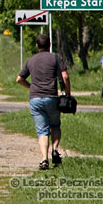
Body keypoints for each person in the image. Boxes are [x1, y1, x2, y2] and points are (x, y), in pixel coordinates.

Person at [17, 34, 70, 170]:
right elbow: (65, 76)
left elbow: (19, 79)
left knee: (42, 131)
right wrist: (68, 93)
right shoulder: (56, 57)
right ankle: (55, 149)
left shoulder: (31, 60)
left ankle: (44, 159)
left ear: (37, 46)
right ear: (49, 45)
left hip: (35, 99)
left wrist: (31, 87)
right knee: (55, 125)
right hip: (51, 97)